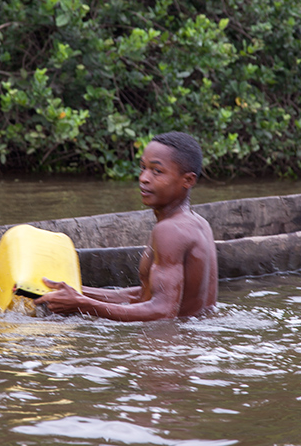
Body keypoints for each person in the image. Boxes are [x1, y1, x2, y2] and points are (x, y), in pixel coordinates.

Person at [36, 131, 218, 321]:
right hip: (194, 342)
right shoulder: (198, 223)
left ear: (187, 180)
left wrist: (83, 305)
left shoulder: (169, 230)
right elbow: (143, 295)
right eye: (143, 168)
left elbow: (163, 311)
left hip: (167, 347)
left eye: (157, 171)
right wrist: (75, 291)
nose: (143, 178)